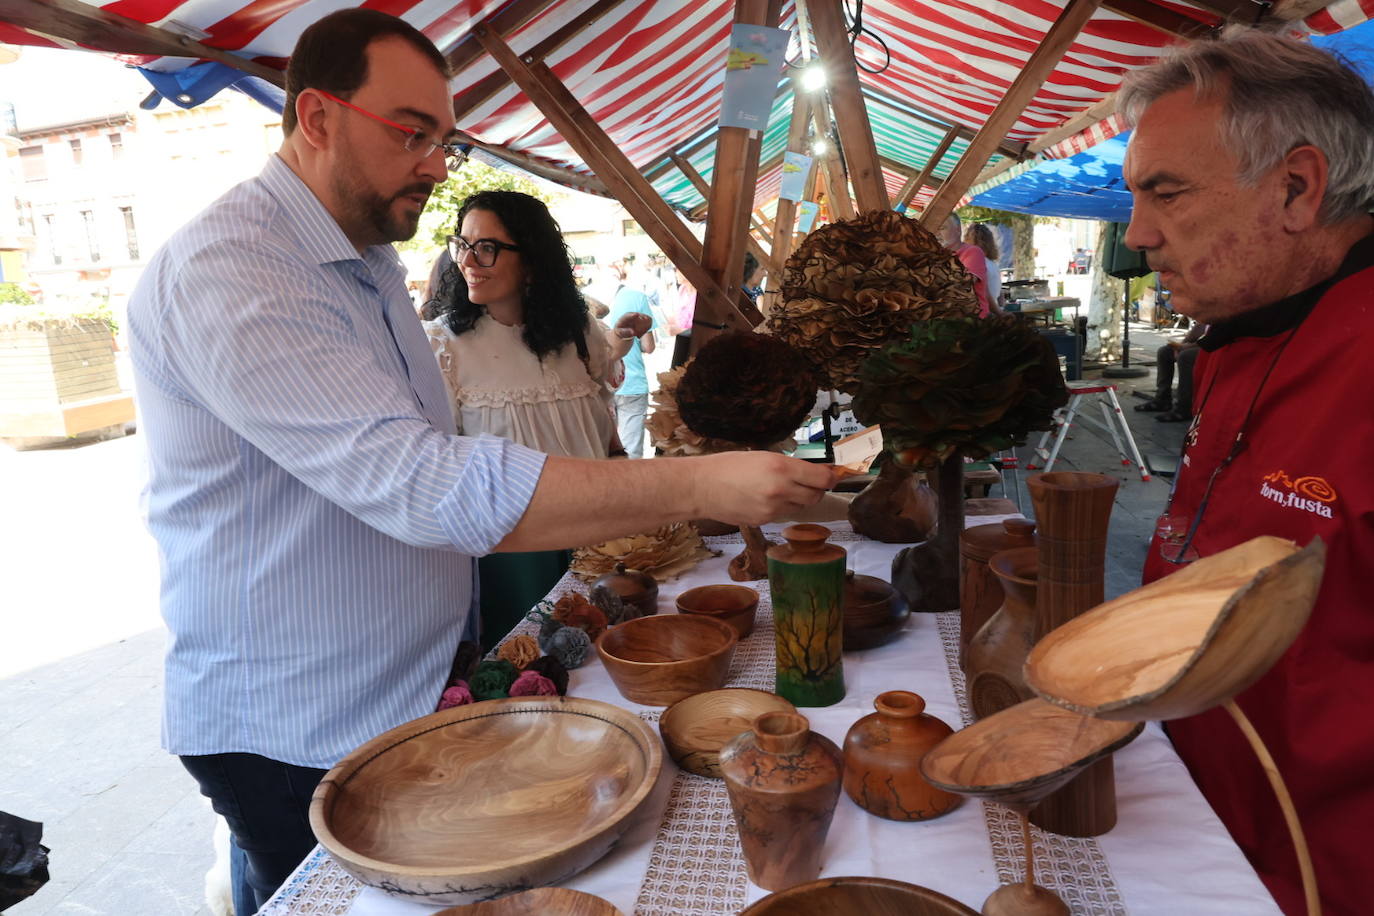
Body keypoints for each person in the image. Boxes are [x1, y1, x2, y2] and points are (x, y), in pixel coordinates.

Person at [125, 9, 833, 912]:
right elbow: (424, 484)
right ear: (316, 118)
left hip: (394, 692)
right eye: (412, 132)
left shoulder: (366, 260)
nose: (434, 163)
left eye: (443, 140)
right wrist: (698, 480)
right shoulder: (237, 271)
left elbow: (439, 455)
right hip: (293, 724)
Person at [1123, 29, 1374, 916]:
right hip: (1197, 826)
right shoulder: (1243, 333)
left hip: (1318, 876)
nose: (1138, 234)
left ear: (1298, 187)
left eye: (1166, 193)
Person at [424, 190, 648, 642]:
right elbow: (441, 463)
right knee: (535, 670)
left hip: (601, 535)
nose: (468, 260)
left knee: (618, 652)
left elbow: (603, 430)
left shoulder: (579, 333)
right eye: (462, 245)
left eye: (486, 247)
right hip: (515, 555)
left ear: (531, 258)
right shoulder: (443, 346)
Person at [607, 262, 656, 457]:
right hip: (632, 383)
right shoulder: (637, 298)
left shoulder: (584, 298)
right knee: (630, 449)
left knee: (604, 449)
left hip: (601, 383)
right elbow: (648, 346)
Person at [1133, 320, 1205, 421]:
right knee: (1164, 351)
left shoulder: (1224, 313)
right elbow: (1201, 327)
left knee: (1186, 357)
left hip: (1217, 349)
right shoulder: (1208, 315)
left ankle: (1184, 407)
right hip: (1201, 345)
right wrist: (1180, 346)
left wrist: (1185, 347)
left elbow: (1214, 339)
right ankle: (1162, 399)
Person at [940, 214, 993, 317]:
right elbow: (985, 290)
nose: (937, 233)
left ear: (958, 229)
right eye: (935, 228)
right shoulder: (935, 256)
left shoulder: (972, 252)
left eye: (942, 228)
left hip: (972, 320)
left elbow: (963, 284)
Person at [964, 222, 1004, 309]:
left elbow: (982, 292)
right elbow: (1000, 295)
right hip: (992, 312)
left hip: (984, 312)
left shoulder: (976, 263)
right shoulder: (993, 264)